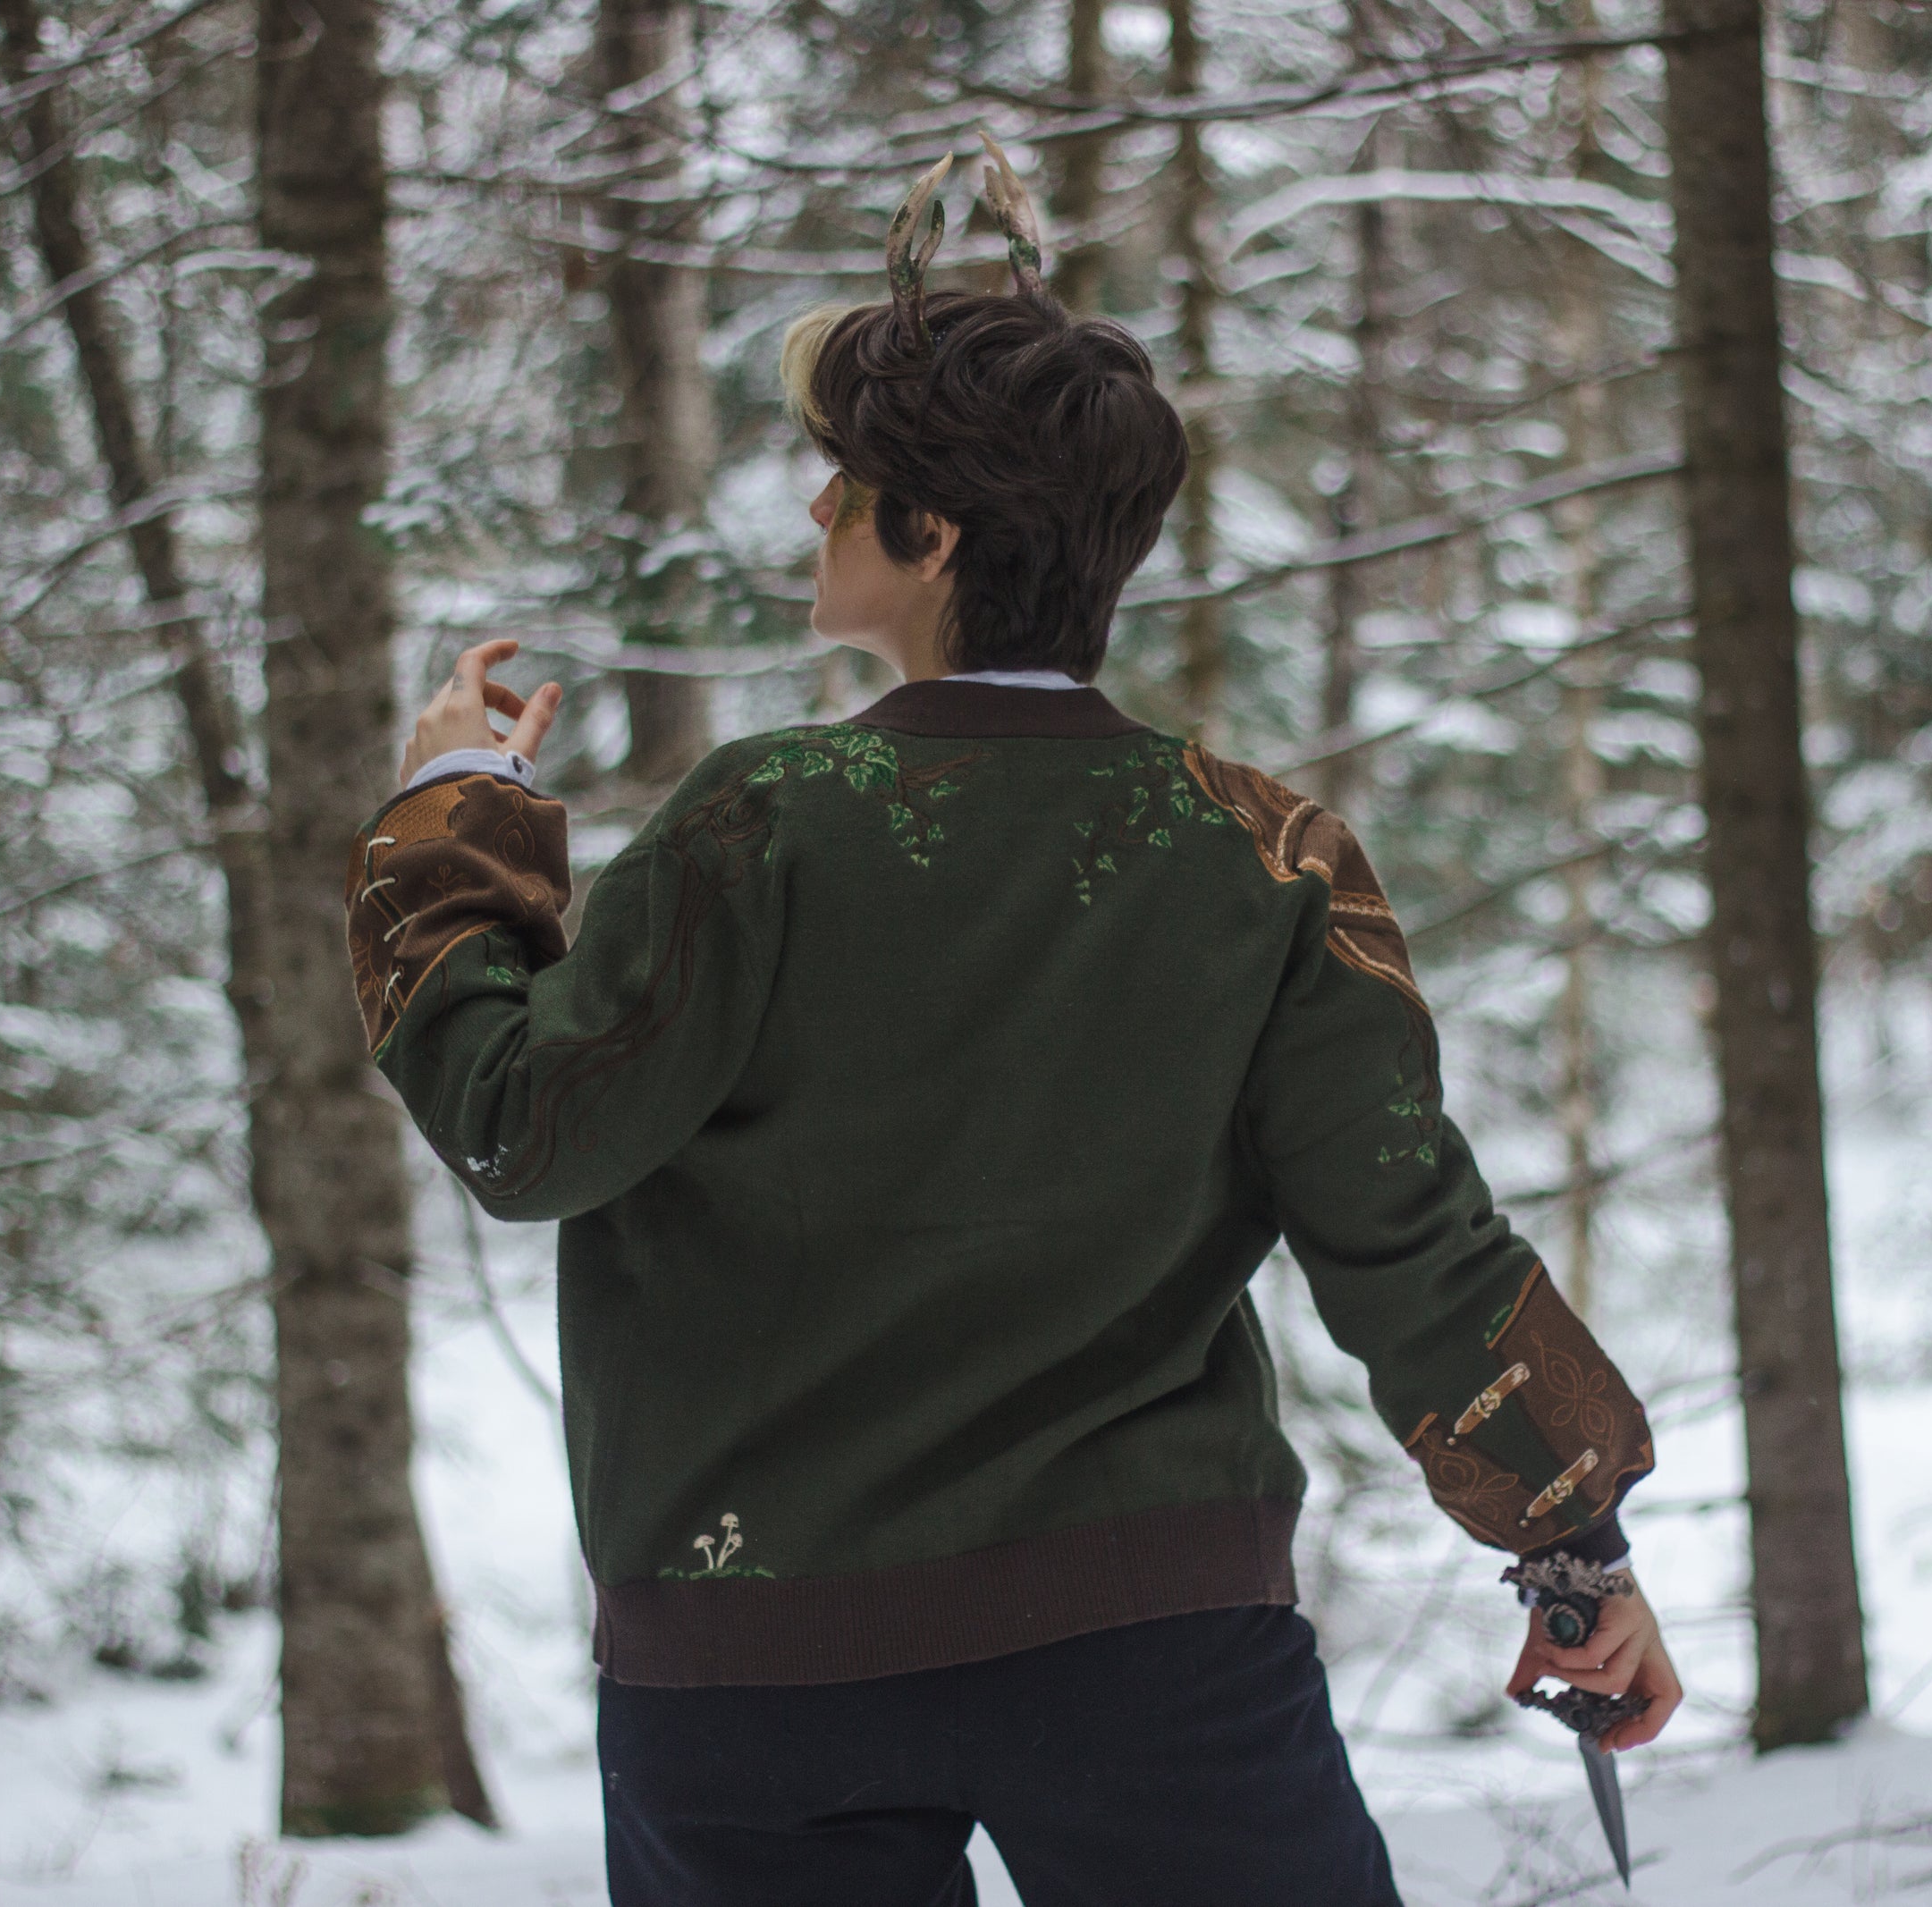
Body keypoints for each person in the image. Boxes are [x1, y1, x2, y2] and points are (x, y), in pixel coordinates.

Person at [346, 136, 1679, 1907]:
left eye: (842, 480)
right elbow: (1408, 1239)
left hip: (757, 1668)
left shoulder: (758, 822)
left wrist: (456, 813)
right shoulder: (1261, 848)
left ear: (934, 530)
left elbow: (521, 1126)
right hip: (1151, 1639)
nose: (815, 510)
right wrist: (1571, 1549)